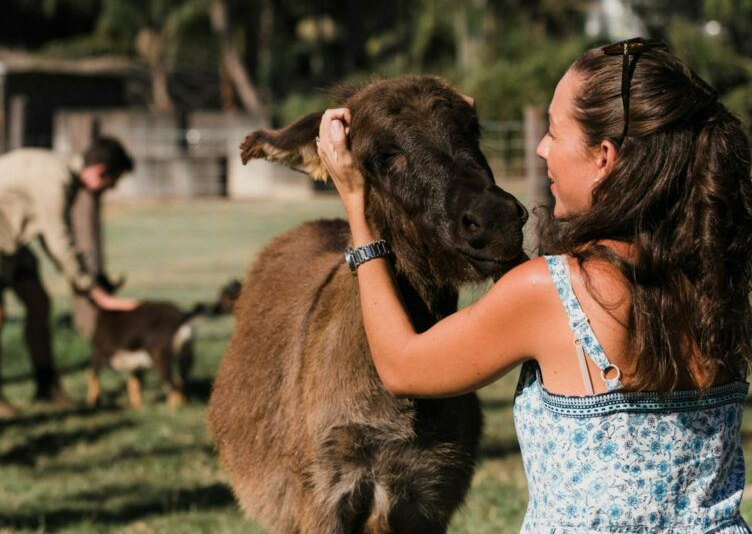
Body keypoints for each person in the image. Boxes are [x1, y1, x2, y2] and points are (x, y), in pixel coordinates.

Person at [316, 39, 752, 532]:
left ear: (604, 157)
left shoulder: (554, 290)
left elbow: (401, 365)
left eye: (553, 130)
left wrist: (355, 203)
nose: (541, 147)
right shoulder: (718, 282)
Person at [0, 137, 139, 417]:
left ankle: (46, 387)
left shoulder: (60, 173)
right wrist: (92, 290)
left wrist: (81, 279)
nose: (108, 191)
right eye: (111, 184)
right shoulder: (56, 181)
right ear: (99, 170)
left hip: (11, 241)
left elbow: (51, 237)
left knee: (39, 303)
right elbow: (58, 241)